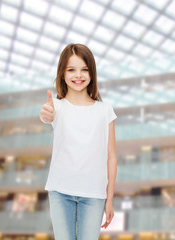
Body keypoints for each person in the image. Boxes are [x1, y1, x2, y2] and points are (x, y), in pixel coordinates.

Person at [39, 43, 117, 240]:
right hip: (60, 192)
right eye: (71, 69)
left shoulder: (104, 109)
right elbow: (46, 115)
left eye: (84, 69)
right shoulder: (56, 106)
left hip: (94, 195)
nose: (78, 75)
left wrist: (110, 199)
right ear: (62, 74)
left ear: (92, 74)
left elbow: (112, 157)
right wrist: (46, 115)